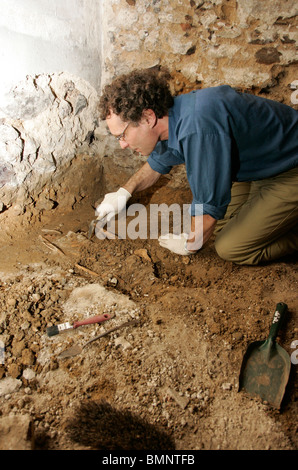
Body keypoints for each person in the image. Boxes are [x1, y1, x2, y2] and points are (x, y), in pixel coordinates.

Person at [96, 67, 298, 265]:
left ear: (148, 117)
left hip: (290, 168)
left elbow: (208, 208)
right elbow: (158, 163)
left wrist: (189, 245)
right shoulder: (175, 116)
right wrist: (124, 192)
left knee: (231, 246)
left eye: (122, 135)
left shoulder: (197, 129)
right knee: (223, 228)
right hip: (260, 166)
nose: (122, 144)